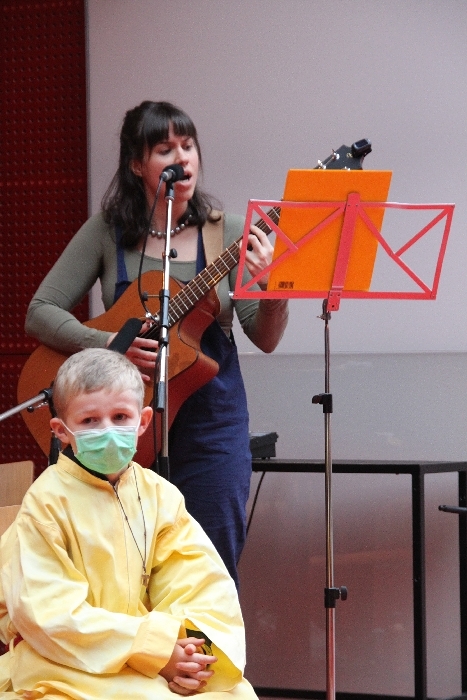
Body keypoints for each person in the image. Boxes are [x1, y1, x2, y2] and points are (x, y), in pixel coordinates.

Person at [25, 100, 289, 586]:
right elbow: (40, 311)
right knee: (120, 571)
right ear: (136, 164)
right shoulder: (108, 232)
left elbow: (265, 338)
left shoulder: (228, 232)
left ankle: (205, 640)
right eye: (165, 149)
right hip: (123, 423)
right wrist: (109, 342)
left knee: (210, 566)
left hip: (211, 422)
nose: (182, 158)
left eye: (188, 146)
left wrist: (273, 289)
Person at [0, 348, 258, 699]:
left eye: (120, 416)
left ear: (143, 421)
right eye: (90, 421)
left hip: (155, 656)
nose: (107, 431)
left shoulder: (159, 496)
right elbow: (48, 614)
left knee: (235, 694)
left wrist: (191, 656)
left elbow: (200, 586)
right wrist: (156, 652)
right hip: (66, 662)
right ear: (61, 431)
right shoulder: (46, 503)